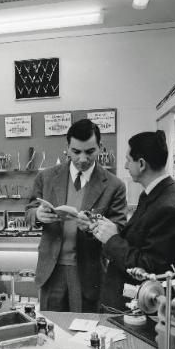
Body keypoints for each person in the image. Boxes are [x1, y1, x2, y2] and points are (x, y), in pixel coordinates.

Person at [26, 119, 127, 312]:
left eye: (89, 152)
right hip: (51, 271)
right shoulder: (46, 177)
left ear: (100, 147)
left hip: (89, 273)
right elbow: (29, 210)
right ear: (67, 148)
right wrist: (37, 215)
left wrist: (94, 227)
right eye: (76, 152)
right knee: (51, 330)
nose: (82, 159)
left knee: (85, 332)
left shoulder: (114, 186)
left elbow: (119, 229)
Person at [90, 130, 175, 309]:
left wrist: (112, 240)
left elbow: (150, 268)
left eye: (128, 160)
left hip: (142, 308)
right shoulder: (154, 195)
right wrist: (109, 230)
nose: (125, 166)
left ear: (141, 164)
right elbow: (140, 241)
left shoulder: (168, 207)